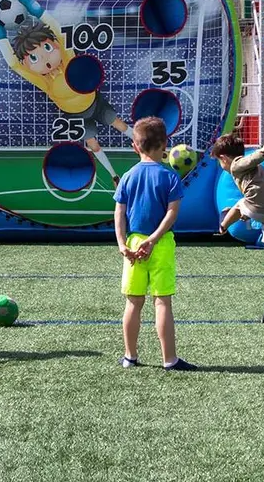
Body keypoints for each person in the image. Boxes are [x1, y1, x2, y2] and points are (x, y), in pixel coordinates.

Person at [0, 0, 132, 185]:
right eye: (33, 58)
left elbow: (58, 30)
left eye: (47, 49)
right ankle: (115, 176)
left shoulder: (67, 59)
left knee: (120, 125)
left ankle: (150, 150)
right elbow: (14, 64)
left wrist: (36, 9)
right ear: (27, 63)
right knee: (93, 145)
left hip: (95, 103)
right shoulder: (42, 80)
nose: (45, 59)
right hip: (75, 116)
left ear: (56, 45)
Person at [114, 116, 195, 371]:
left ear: (135, 146)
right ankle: (169, 359)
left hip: (134, 242)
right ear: (165, 145)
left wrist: (121, 243)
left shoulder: (128, 176)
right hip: (159, 244)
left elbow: (119, 212)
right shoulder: (170, 177)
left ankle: (130, 357)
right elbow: (172, 214)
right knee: (162, 302)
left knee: (133, 302)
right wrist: (154, 239)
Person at [211, 135, 264, 323]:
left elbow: (252, 158)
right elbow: (251, 162)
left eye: (219, 162)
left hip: (257, 207)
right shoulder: (251, 169)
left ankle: (223, 226)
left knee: (238, 206)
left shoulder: (235, 165)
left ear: (224, 158)